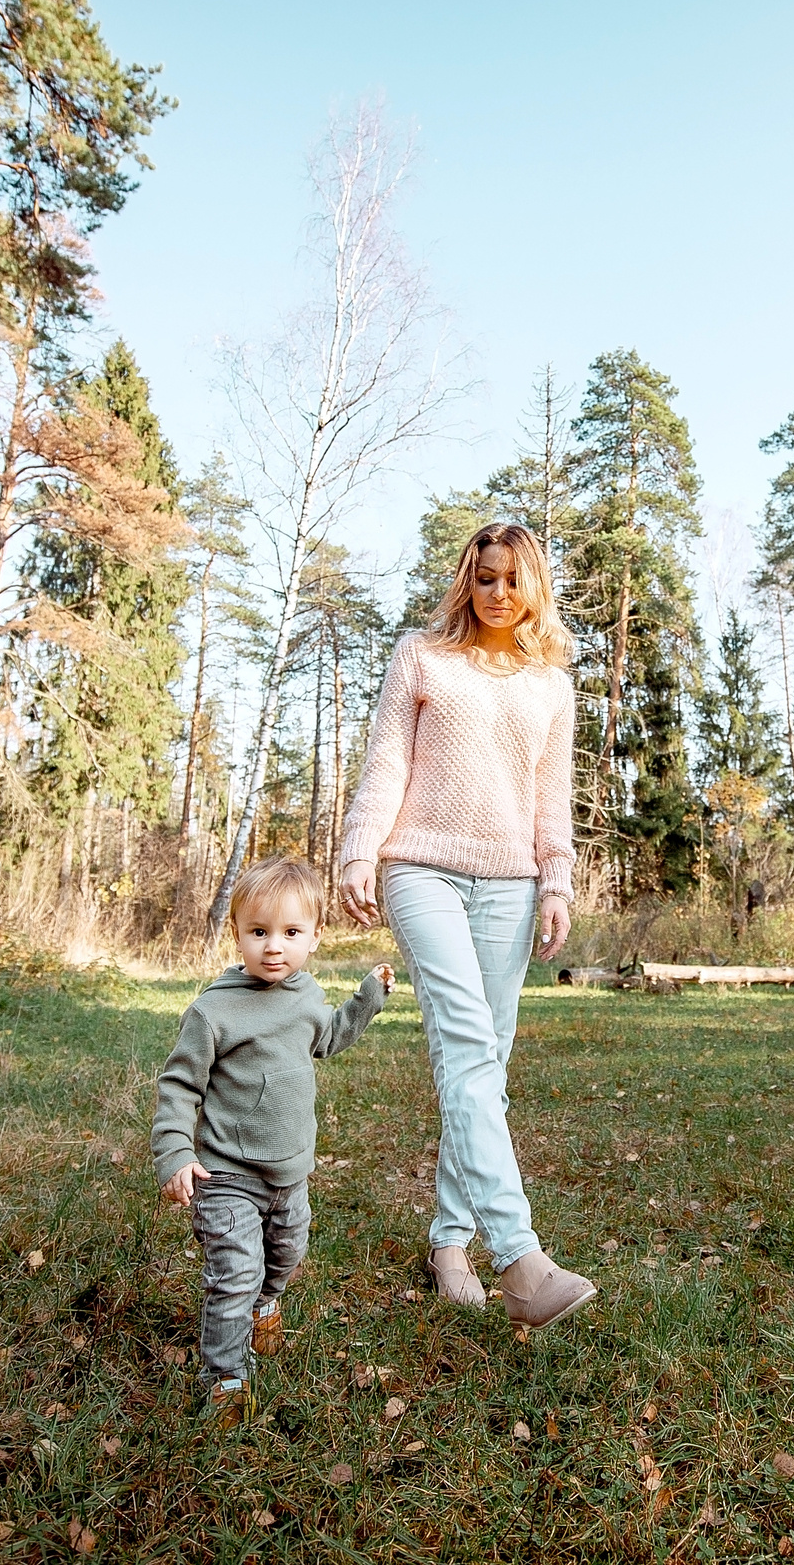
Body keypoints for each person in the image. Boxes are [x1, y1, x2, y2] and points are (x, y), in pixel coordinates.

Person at [337, 520, 598, 1329]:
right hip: (422, 869)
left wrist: (556, 883)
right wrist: (359, 849)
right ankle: (521, 1260)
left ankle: (450, 1243)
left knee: (483, 1064)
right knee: (462, 1041)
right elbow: (387, 761)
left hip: (512, 885)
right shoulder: (422, 655)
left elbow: (550, 802)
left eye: (511, 579)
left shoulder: (552, 686)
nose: (496, 592)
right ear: (466, 580)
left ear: (533, 587)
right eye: (483, 577)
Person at [151, 856, 390, 1421]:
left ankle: (265, 1306)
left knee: (286, 1255)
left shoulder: (306, 997)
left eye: (290, 932)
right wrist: (175, 1152)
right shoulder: (214, 1011)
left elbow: (328, 1038)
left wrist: (366, 1001)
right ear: (237, 933)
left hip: (290, 1173)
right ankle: (226, 1378)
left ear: (314, 938)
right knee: (235, 1272)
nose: (274, 947)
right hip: (226, 1173)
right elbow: (179, 1084)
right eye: (259, 932)